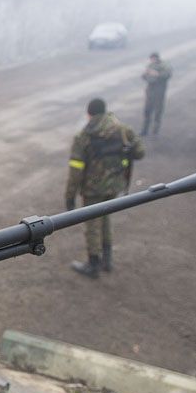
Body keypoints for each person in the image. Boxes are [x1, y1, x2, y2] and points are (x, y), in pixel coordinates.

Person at [65, 98, 145, 278]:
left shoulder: (84, 136)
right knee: (106, 219)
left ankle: (93, 265)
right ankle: (107, 260)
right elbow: (140, 152)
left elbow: (76, 170)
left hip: (93, 189)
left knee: (93, 224)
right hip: (114, 185)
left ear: (89, 114)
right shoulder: (123, 130)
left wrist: (70, 196)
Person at [140, 52, 173, 136]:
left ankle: (155, 130)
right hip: (150, 91)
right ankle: (145, 130)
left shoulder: (164, 65)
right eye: (151, 59)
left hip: (159, 91)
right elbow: (144, 77)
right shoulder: (150, 65)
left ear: (157, 58)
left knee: (158, 111)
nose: (152, 60)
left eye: (153, 58)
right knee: (147, 111)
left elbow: (168, 75)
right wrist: (145, 74)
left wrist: (157, 74)